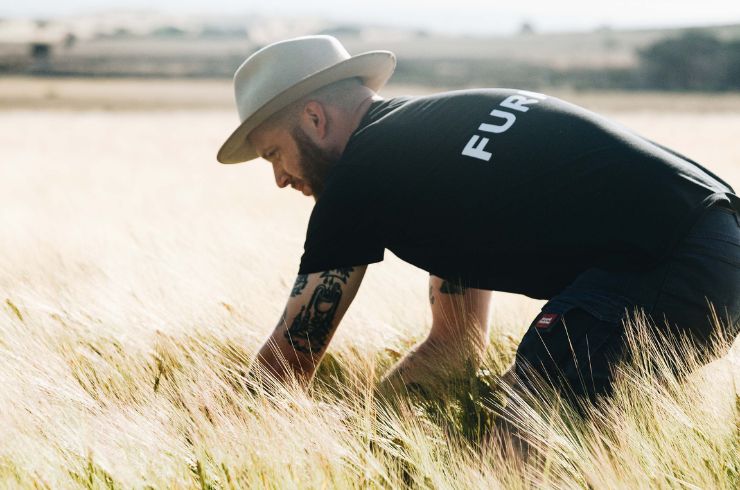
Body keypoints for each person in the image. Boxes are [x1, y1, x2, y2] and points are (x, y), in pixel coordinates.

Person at [216, 35, 740, 405]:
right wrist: (374, 430)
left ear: (314, 118)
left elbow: (286, 368)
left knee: (516, 431)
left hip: (666, 259)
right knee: (538, 426)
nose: (280, 179)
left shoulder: (359, 179)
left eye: (273, 155)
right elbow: (455, 344)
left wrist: (208, 427)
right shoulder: (431, 151)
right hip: (715, 248)